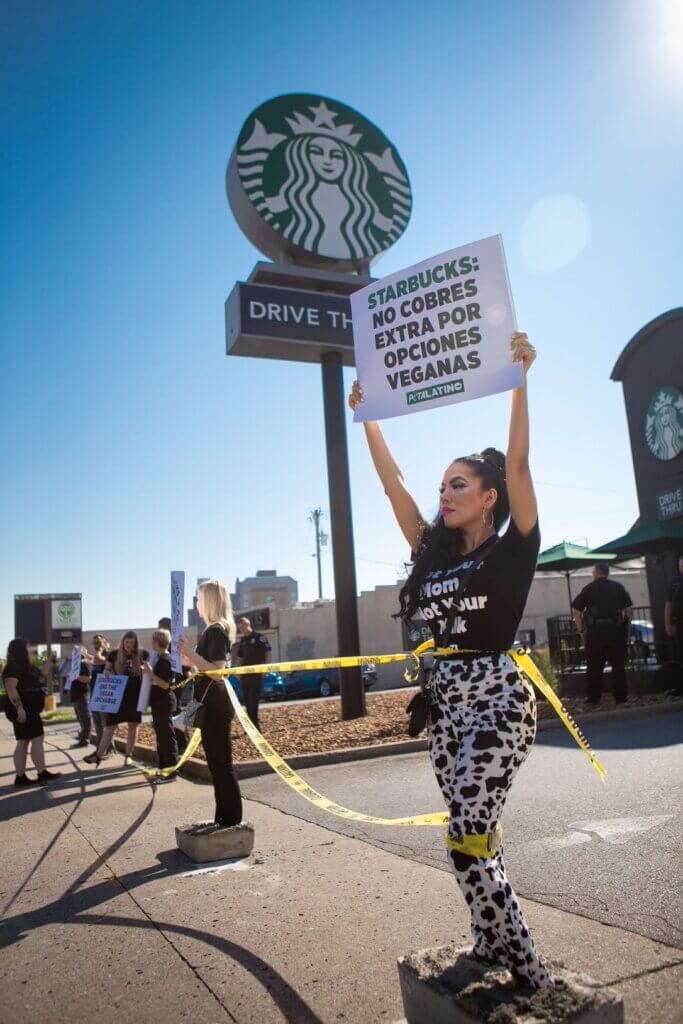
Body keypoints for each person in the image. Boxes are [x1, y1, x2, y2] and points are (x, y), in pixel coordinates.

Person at [348, 332, 553, 989]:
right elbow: (392, 487)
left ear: (488, 495)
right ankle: (486, 943)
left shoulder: (512, 547)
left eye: (458, 485)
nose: (444, 493)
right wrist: (367, 418)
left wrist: (520, 376)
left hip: (497, 701)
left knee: (463, 835)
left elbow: (518, 464)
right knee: (476, 836)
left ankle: (528, 969)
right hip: (446, 711)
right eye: (443, 485)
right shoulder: (431, 552)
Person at [177, 579, 243, 828]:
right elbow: (205, 668)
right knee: (216, 765)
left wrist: (192, 656)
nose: (197, 603)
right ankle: (224, 819)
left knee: (221, 765)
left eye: (200, 598)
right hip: (211, 704)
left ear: (210, 601)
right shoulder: (213, 630)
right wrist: (189, 660)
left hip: (215, 706)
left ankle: (231, 821)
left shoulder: (216, 630)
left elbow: (217, 672)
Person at [572, 564, 633, 705]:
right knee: (618, 666)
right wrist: (626, 631)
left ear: (595, 573)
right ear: (607, 573)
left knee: (594, 666)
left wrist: (581, 631)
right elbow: (628, 611)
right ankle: (621, 698)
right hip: (615, 631)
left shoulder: (589, 588)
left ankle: (593, 698)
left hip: (595, 632)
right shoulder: (618, 587)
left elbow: (576, 611)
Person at [2, 639, 61, 786]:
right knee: (35, 739)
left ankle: (21, 777)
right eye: (28, 647)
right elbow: (11, 687)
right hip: (25, 711)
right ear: (21, 649)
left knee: (24, 741)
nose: (30, 650)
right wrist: (19, 708)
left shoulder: (25, 666)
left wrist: (49, 662)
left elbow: (40, 676)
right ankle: (41, 773)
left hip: (29, 711)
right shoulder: (13, 666)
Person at [84, 631, 145, 767]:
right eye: (127, 642)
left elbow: (149, 668)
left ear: (135, 643)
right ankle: (98, 755)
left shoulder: (141, 655)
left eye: (132, 642)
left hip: (135, 695)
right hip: (117, 695)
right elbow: (107, 669)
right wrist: (106, 672)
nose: (129, 645)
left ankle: (128, 756)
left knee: (133, 725)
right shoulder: (114, 654)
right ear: (123, 642)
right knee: (110, 725)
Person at [142, 628, 179, 779]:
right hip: (159, 703)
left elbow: (165, 684)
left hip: (164, 703)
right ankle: (164, 768)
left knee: (167, 738)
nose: (151, 643)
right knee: (162, 737)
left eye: (152, 640)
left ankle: (170, 772)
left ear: (157, 642)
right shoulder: (160, 658)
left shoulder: (166, 660)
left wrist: (150, 675)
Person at [231, 617, 272, 728]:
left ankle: (256, 727)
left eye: (242, 627)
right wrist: (238, 671)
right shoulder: (243, 641)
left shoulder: (259, 637)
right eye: (240, 628)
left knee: (253, 701)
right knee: (247, 702)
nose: (241, 629)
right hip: (245, 675)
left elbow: (268, 653)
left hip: (256, 674)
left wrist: (266, 668)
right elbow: (239, 658)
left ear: (247, 625)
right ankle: (250, 727)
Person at [89, 634, 115, 756]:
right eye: (95, 643)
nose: (97, 645)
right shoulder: (95, 657)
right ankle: (100, 749)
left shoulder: (109, 655)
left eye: (99, 642)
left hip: (105, 695)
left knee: (107, 724)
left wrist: (99, 651)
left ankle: (109, 749)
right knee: (98, 724)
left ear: (105, 642)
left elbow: (99, 659)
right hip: (94, 694)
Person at [664, 554, 683, 695]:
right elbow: (668, 605)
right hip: (680, 623)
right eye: (681, 566)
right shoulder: (675, 583)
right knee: (680, 656)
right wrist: (668, 624)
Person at [69, 647, 92, 748]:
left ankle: (85, 739)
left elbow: (89, 679)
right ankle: (83, 737)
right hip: (75, 695)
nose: (74, 653)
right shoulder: (75, 664)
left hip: (81, 694)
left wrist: (76, 677)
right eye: (74, 651)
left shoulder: (84, 663)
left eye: (77, 651)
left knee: (85, 717)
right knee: (80, 717)